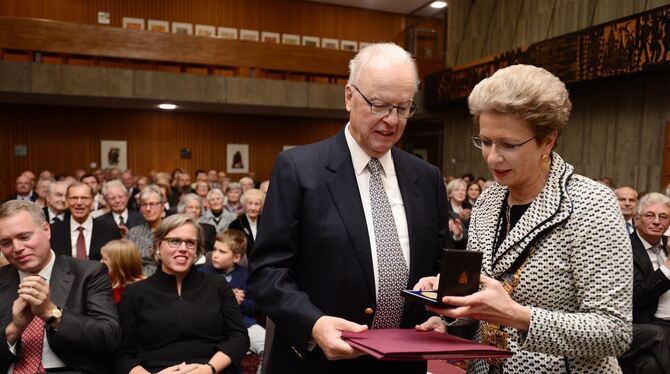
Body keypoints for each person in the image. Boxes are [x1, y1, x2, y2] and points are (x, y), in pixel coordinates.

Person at [247, 43, 450, 373]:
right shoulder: (299, 169)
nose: (391, 120)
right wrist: (314, 324)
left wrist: (441, 313)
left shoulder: (426, 178)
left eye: (403, 108)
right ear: (349, 97)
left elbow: (441, 266)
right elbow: (267, 273)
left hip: (403, 363)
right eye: (379, 105)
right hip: (317, 363)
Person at [415, 64, 632, 373]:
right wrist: (450, 312)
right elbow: (485, 294)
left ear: (548, 140)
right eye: (485, 141)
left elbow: (614, 332)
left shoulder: (590, 204)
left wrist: (519, 316)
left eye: (508, 144)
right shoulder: (489, 200)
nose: (492, 157)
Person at [115, 214, 249, 374]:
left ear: (197, 250)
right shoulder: (135, 293)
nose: (183, 248)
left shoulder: (217, 285)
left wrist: (209, 369)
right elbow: (123, 354)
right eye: (175, 241)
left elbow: (239, 337)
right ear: (158, 245)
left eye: (190, 243)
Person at [0, 200, 120, 373]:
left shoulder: (88, 273)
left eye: (25, 237)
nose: (17, 248)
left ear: (46, 230)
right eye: (6, 243)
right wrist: (15, 328)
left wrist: (51, 313)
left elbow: (108, 338)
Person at [618, 193, 670, 373]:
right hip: (642, 323)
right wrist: (669, 265)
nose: (657, 221)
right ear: (636, 219)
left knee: (649, 365)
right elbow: (637, 296)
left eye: (663, 217)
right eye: (650, 215)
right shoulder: (625, 249)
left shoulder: (667, 244)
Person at [200, 230, 265, 361]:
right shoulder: (202, 273)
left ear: (236, 258)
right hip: (211, 327)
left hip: (243, 324)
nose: (215, 255)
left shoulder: (246, 275)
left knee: (268, 347)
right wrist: (226, 300)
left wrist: (241, 302)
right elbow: (198, 304)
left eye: (222, 252)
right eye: (215, 249)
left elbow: (255, 307)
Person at [50, 182, 121, 261]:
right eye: (74, 198)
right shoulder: (53, 231)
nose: (79, 203)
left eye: (84, 198)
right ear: (67, 201)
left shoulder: (110, 231)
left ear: (92, 201)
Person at [128, 185, 166, 276]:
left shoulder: (171, 230)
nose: (148, 209)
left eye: (152, 204)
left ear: (162, 206)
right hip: (139, 280)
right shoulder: (134, 233)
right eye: (144, 205)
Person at [100, 239, 145, 303]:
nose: (100, 262)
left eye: (104, 259)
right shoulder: (104, 284)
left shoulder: (141, 289)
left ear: (118, 263)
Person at [229, 188, 265, 259]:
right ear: (245, 205)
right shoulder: (235, 225)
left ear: (261, 206)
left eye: (257, 204)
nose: (253, 208)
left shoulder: (266, 223)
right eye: (250, 203)